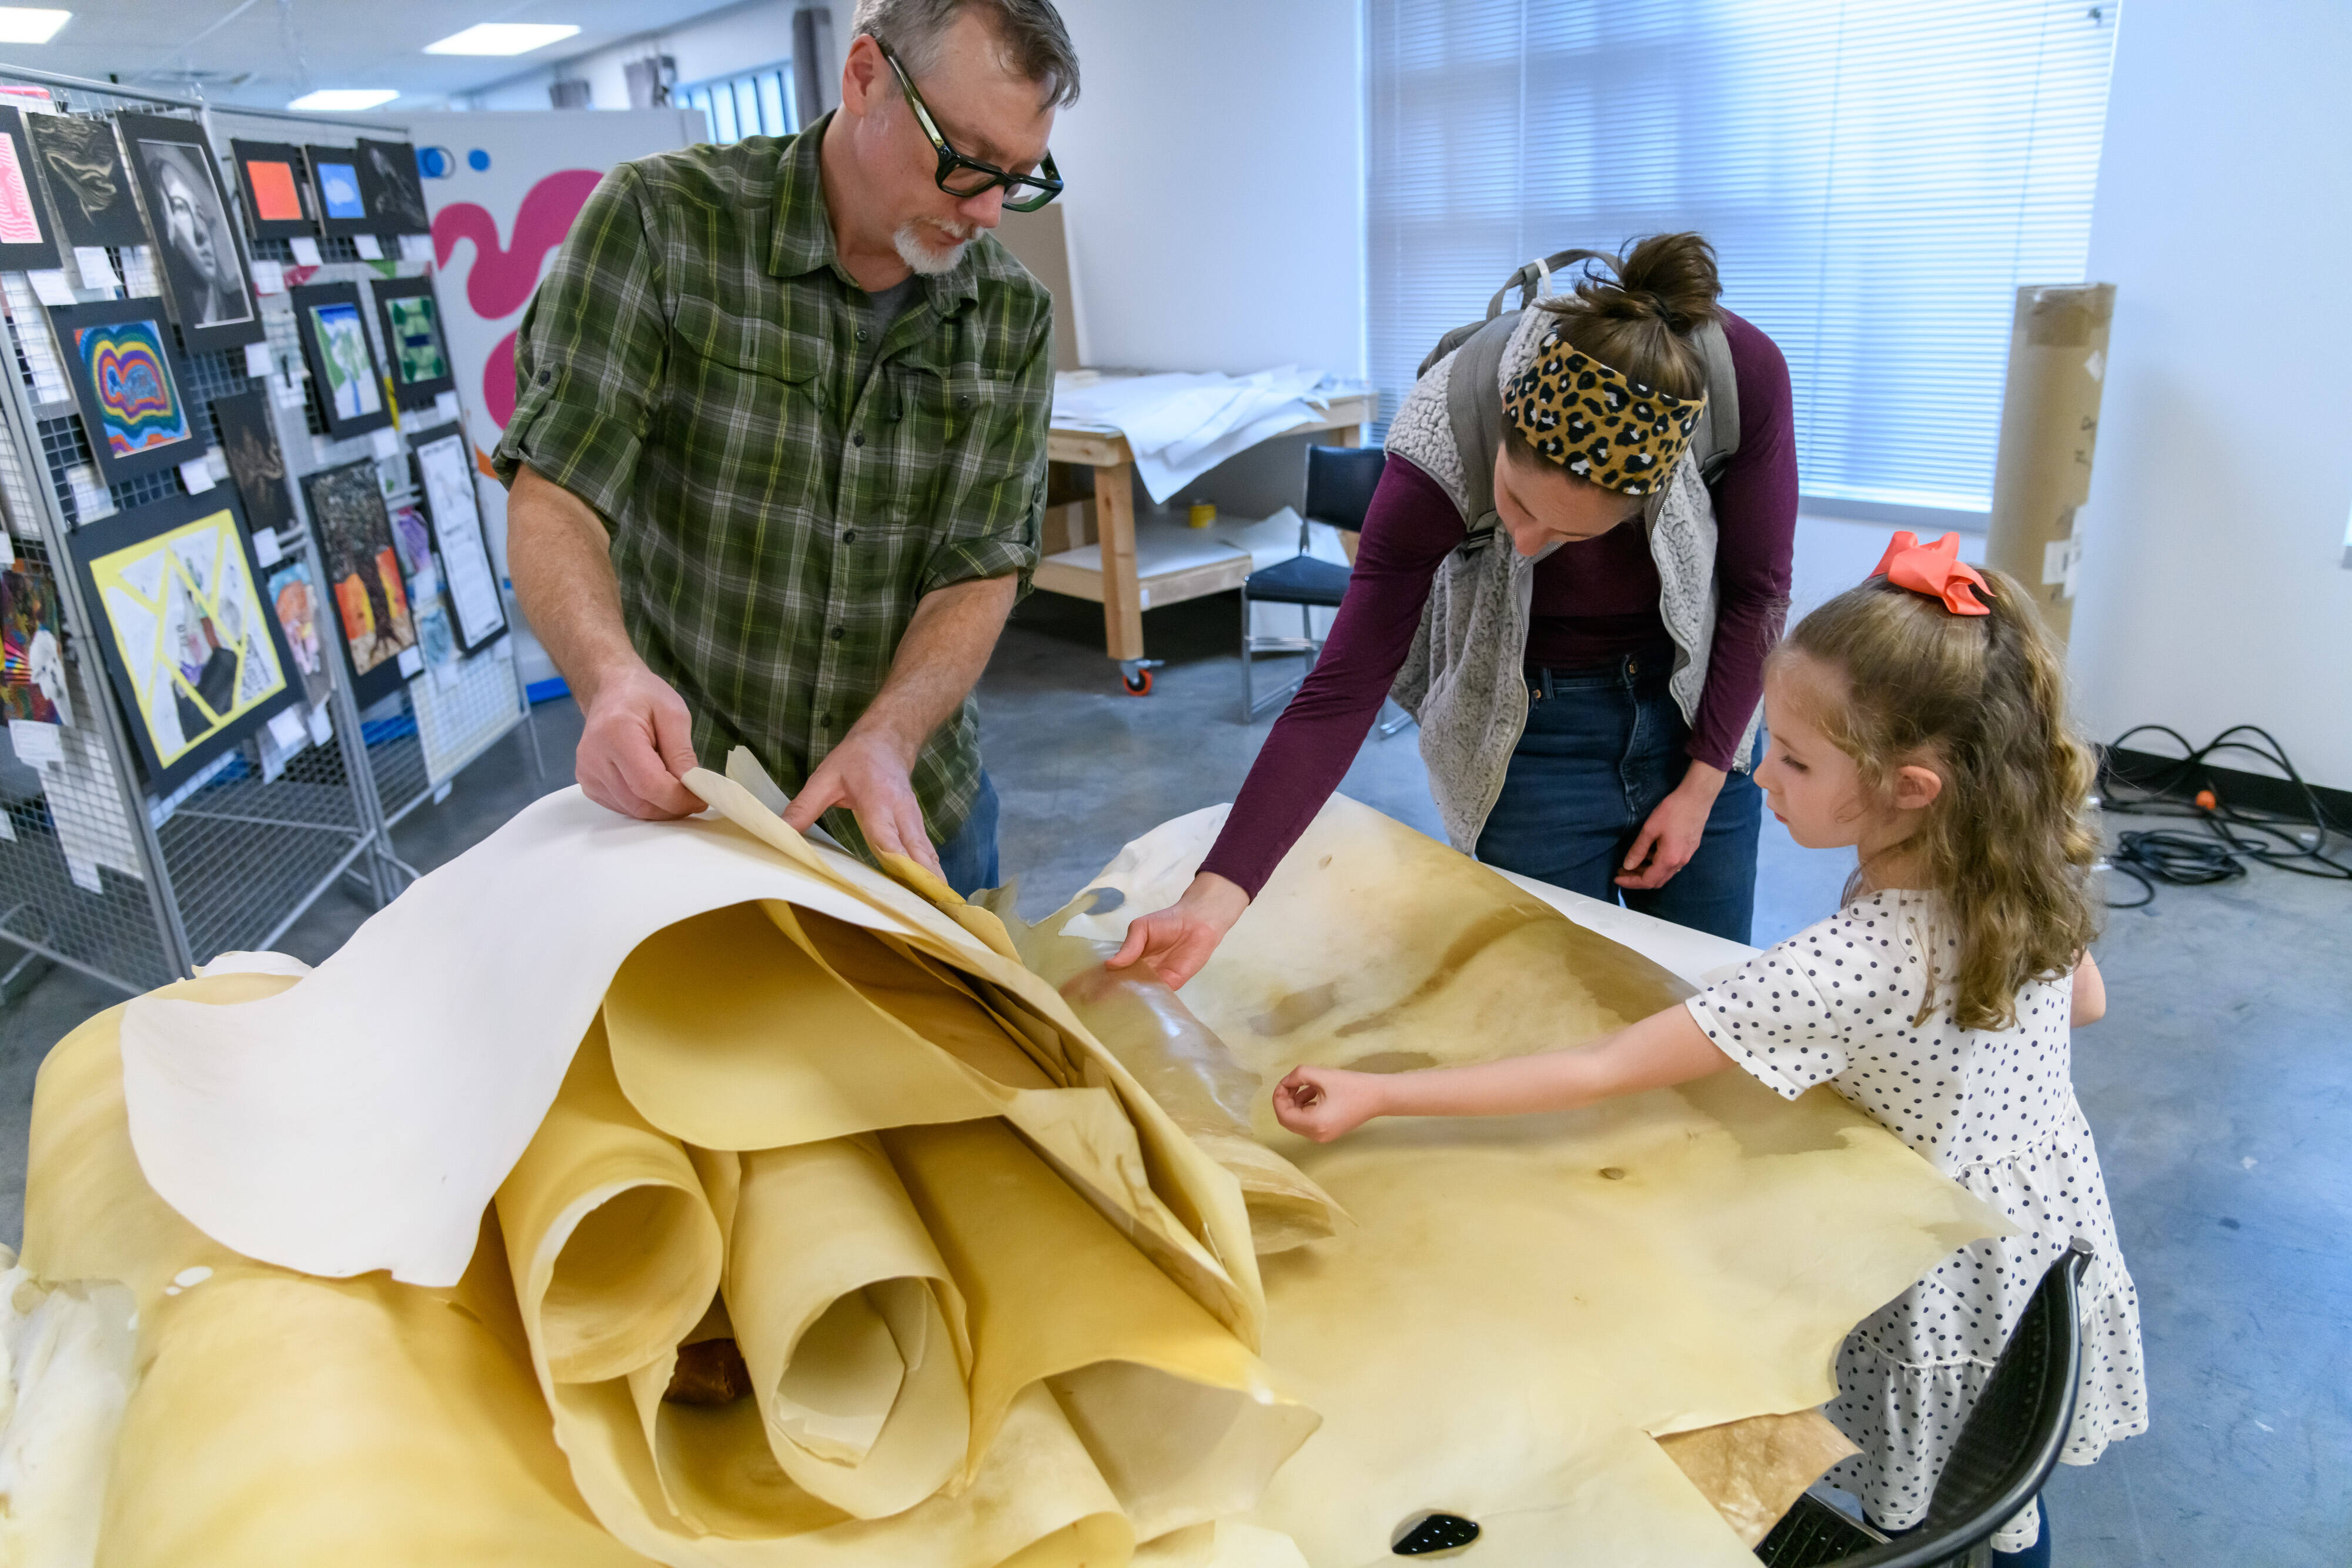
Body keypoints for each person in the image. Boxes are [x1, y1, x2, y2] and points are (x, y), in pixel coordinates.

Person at [1271, 536, 2148, 1567]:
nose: (1757, 771)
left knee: (1928, 1507)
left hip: (1933, 1268)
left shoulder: (1862, 958)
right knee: (2003, 1490)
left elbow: (1601, 1067)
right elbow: (2083, 1001)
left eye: (1798, 758)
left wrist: (1377, 1095)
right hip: (2043, 1233)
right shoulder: (2024, 854)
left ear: (1913, 786)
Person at [495, 0, 1079, 893]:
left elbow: (980, 566)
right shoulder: (660, 224)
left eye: (1021, 175)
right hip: (701, 809)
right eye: (965, 160)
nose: (993, 212)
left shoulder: (1012, 316)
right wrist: (608, 677)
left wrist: (887, 734)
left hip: (914, 811)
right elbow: (558, 490)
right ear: (864, 75)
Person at [1113, 233, 1797, 985]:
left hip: (1699, 704)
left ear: (1654, 504)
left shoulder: (1741, 380)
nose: (1527, 542)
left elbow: (1758, 596)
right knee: (1546, 1001)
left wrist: (1701, 784)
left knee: (1713, 993)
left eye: (1570, 535)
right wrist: (1215, 898)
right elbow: (1341, 690)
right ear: (1502, 426)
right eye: (1512, 502)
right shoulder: (1438, 439)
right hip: (1529, 729)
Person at [145, 146, 248, 327]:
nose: (201, 233)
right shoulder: (172, 322)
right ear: (165, 225)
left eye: (200, 213)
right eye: (181, 209)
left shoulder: (239, 309)